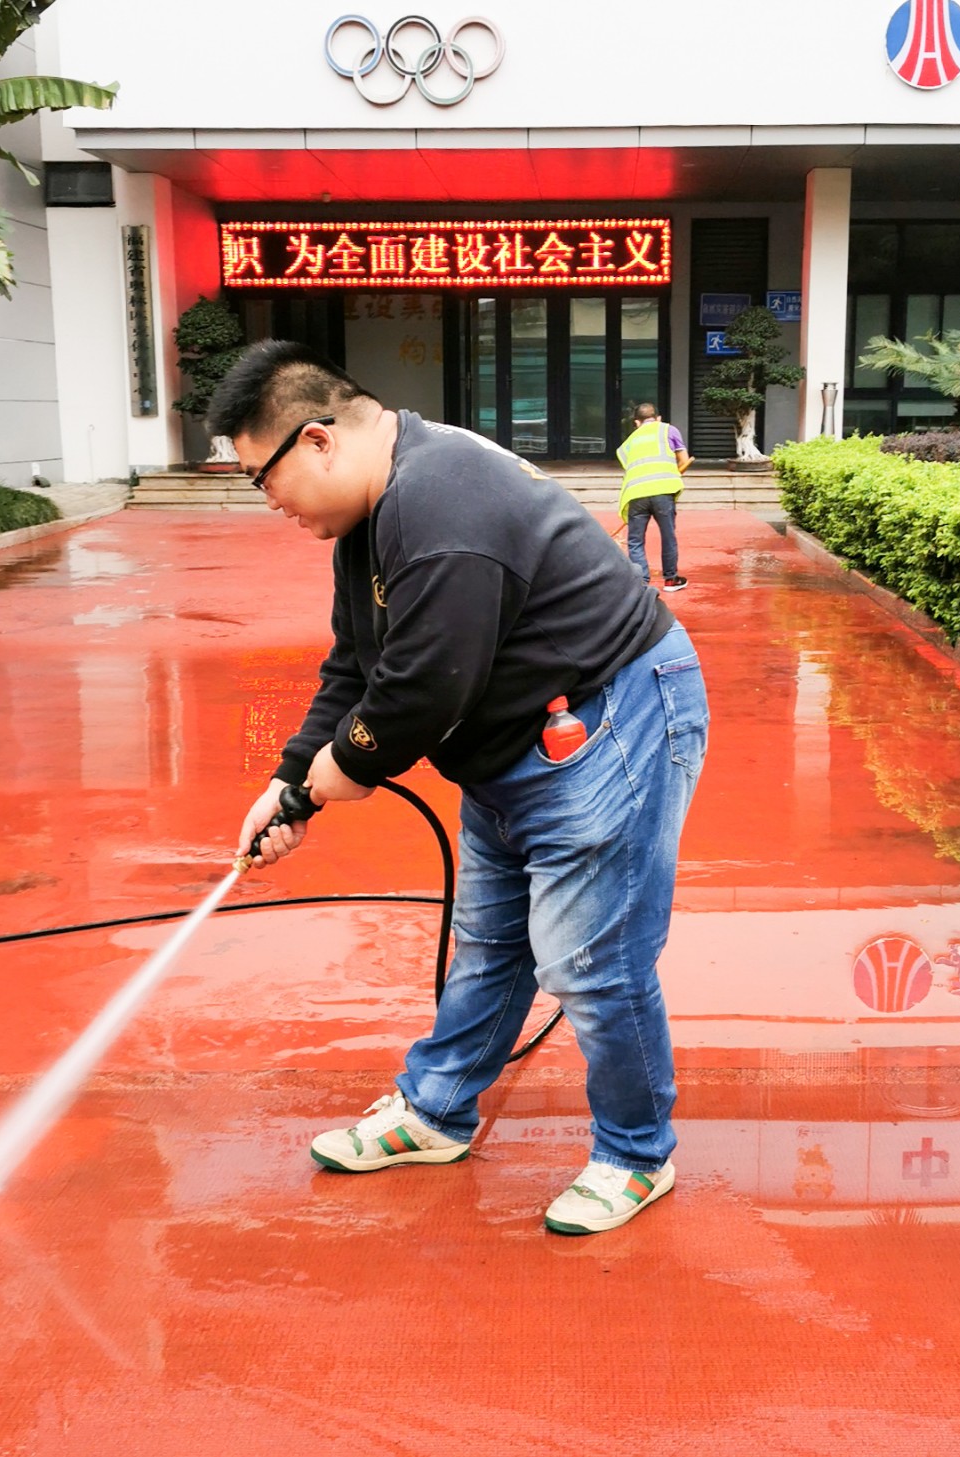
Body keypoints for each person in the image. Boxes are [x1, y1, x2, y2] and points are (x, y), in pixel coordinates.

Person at [210, 340, 708, 1236]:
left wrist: (346, 768)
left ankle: (637, 1151)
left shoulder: (439, 498)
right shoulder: (370, 516)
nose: (269, 499)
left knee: (591, 960)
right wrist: (290, 780)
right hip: (514, 734)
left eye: (262, 477)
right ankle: (437, 1111)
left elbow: (425, 684)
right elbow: (358, 663)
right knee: (488, 942)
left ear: (317, 440)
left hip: (612, 711)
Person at [616, 403, 693, 592]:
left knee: (635, 541)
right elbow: (684, 460)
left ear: (636, 422)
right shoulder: (668, 430)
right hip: (663, 492)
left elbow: (630, 468)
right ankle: (671, 580)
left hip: (636, 494)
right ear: (658, 418)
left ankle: (641, 583)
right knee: (668, 536)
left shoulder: (628, 443)